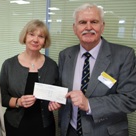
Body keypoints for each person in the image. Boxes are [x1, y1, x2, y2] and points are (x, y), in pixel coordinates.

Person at [58, 3, 136, 136]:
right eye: (82, 22)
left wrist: (89, 104)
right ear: (74, 28)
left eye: (94, 22)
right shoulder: (65, 55)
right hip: (70, 130)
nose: (88, 27)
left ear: (102, 26)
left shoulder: (124, 55)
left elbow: (130, 99)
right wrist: (57, 99)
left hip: (105, 132)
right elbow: (62, 89)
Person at [0, 19, 61, 136]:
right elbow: (1, 97)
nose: (35, 40)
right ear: (25, 36)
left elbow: (58, 94)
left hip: (44, 127)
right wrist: (18, 101)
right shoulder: (9, 65)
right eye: (32, 34)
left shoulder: (52, 66)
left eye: (41, 36)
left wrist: (57, 102)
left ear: (45, 41)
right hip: (15, 126)